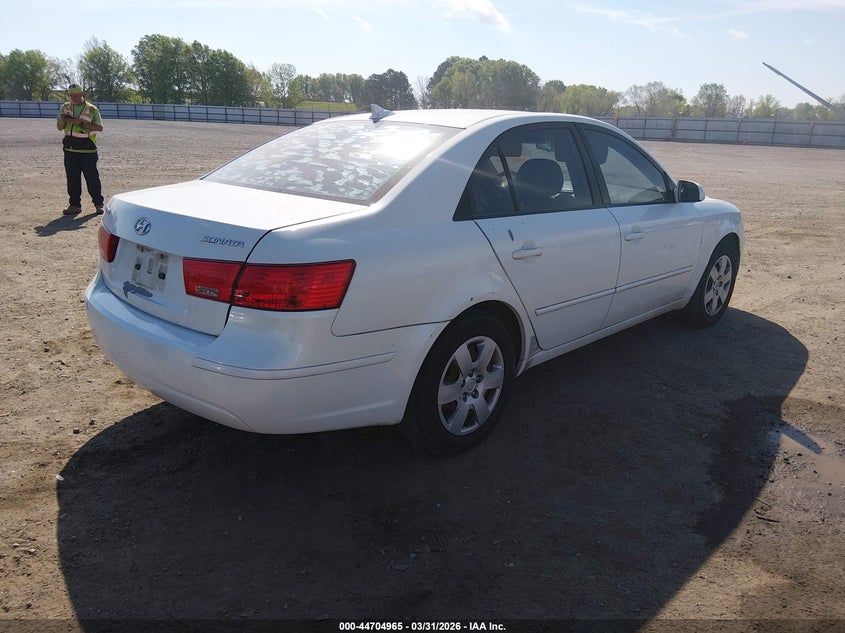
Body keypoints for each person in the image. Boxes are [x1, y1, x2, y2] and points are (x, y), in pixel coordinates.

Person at [57, 84, 105, 215]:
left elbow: (99, 127)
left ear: (82, 94)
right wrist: (63, 120)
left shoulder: (92, 109)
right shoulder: (65, 107)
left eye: (76, 95)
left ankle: (98, 204)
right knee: (72, 179)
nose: (73, 98)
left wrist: (80, 123)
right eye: (71, 95)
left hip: (87, 150)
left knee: (92, 178)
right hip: (70, 149)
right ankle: (74, 205)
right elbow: (59, 127)